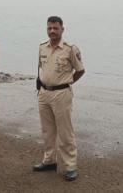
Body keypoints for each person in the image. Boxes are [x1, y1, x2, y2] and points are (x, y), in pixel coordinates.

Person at [33, 16, 85, 181]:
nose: (52, 31)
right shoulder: (42, 47)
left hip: (61, 94)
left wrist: (66, 83)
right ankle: (49, 161)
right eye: (49, 28)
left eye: (55, 28)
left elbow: (80, 70)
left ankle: (70, 166)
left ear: (62, 29)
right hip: (44, 93)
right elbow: (41, 68)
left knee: (65, 132)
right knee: (47, 130)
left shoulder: (70, 49)